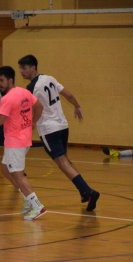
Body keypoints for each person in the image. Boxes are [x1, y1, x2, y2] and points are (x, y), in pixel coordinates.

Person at [18, 54, 100, 211]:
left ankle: (88, 191)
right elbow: (67, 94)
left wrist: (31, 123)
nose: (22, 71)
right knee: (66, 160)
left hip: (49, 130)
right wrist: (77, 106)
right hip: (63, 126)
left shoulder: (31, 88)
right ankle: (84, 192)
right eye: (20, 68)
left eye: (24, 68)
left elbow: (36, 109)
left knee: (62, 163)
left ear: (34, 67)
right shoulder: (49, 78)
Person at [0, 66, 46, 221]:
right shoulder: (24, 92)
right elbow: (39, 107)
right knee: (5, 169)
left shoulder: (7, 98)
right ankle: (27, 199)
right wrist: (33, 123)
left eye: (2, 80)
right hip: (23, 139)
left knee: (17, 174)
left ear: (10, 80)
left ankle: (37, 205)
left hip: (16, 142)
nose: (0, 84)